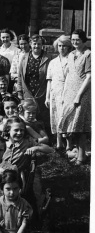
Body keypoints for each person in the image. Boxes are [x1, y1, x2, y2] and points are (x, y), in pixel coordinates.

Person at [58, 29, 91, 165]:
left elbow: (89, 77)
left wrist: (78, 95)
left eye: (77, 39)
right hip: (69, 93)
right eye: (73, 39)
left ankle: (82, 157)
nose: (75, 42)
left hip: (82, 94)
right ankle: (76, 152)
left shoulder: (89, 54)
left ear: (83, 40)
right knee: (71, 125)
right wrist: (65, 95)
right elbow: (68, 76)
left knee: (81, 126)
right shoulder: (71, 54)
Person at [16, 34, 52, 134]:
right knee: (28, 115)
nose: (37, 46)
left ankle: (45, 139)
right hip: (27, 91)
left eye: (39, 44)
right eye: (34, 44)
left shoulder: (48, 58)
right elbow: (20, 75)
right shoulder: (24, 57)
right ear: (31, 44)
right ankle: (29, 139)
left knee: (42, 117)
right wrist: (19, 91)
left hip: (42, 92)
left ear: (42, 45)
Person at [45, 35, 73, 151]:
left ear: (68, 47)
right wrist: (47, 97)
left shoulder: (72, 60)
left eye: (64, 46)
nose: (62, 48)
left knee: (66, 117)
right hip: (54, 92)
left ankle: (69, 144)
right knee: (55, 116)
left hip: (67, 91)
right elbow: (49, 80)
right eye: (60, 46)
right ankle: (58, 143)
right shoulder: (53, 62)